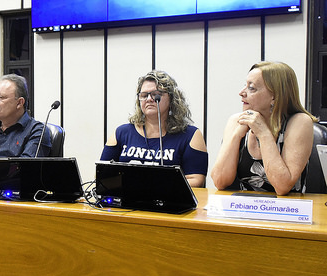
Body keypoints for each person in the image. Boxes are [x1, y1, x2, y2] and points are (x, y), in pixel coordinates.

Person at [211, 61, 317, 195]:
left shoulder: (299, 122)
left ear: (274, 96)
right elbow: (220, 181)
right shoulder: (235, 121)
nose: (241, 93)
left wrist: (264, 133)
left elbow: (282, 186)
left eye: (252, 88)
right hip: (244, 208)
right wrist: (237, 136)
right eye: (245, 85)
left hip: (287, 209)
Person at [100, 70, 208, 187]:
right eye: (144, 95)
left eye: (156, 94)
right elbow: (101, 176)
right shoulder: (121, 133)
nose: (149, 99)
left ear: (171, 99)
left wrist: (153, 185)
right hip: (128, 201)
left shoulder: (190, 135)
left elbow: (196, 180)